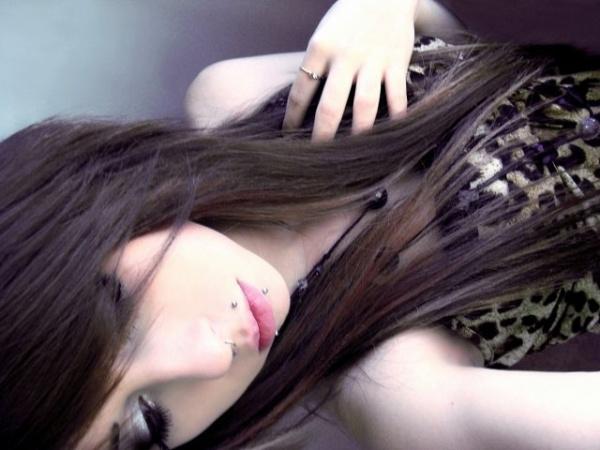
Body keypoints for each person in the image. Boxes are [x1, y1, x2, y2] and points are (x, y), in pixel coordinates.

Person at [2, 4, 600, 450]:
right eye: (145, 423)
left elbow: (481, 52)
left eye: (118, 317)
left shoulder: (237, 97)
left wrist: (384, 7)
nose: (210, 357)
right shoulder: (395, 396)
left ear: (79, 215)